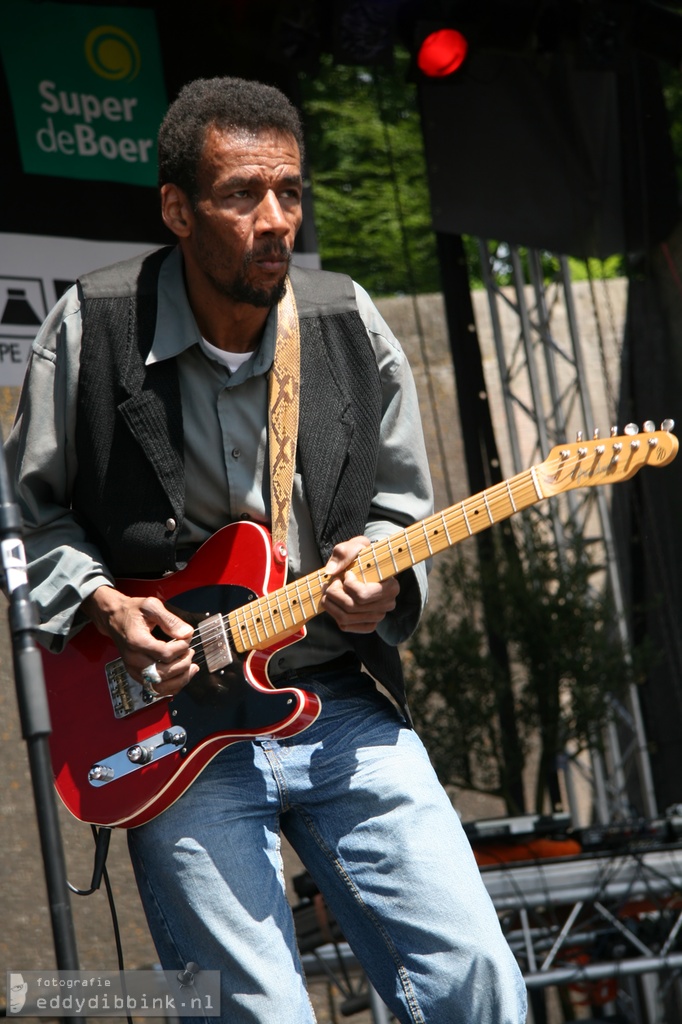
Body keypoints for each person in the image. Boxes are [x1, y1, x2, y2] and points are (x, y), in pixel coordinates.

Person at [5, 77, 527, 1024]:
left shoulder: (343, 320)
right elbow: (26, 514)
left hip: (337, 702)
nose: (275, 218)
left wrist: (383, 573)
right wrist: (106, 607)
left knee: (478, 979)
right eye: (243, 194)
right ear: (177, 208)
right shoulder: (91, 325)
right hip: (168, 727)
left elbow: (400, 512)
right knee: (260, 1013)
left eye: (289, 191)